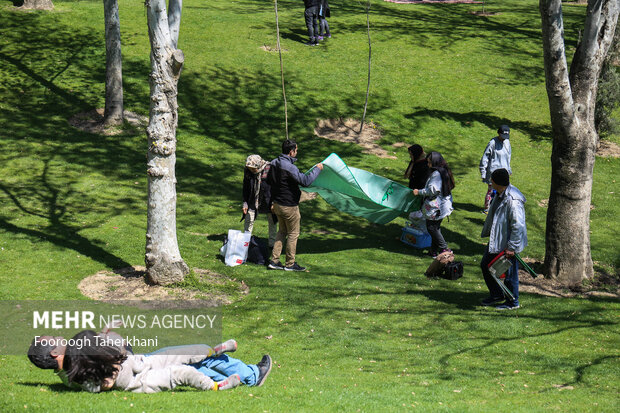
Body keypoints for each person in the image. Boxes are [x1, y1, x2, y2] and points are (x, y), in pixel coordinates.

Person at [28, 334, 271, 392]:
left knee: (189, 354)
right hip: (137, 379)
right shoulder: (72, 374)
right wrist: (113, 366)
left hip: (139, 361)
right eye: (53, 339)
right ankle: (224, 383)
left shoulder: (76, 353)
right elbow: (103, 383)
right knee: (184, 371)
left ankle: (214, 353)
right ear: (53, 353)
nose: (58, 336)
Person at [268, 139, 323, 271]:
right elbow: (305, 181)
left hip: (277, 204)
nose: (297, 152)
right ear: (291, 151)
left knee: (282, 232)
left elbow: (269, 182)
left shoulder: (274, 163)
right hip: (289, 206)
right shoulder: (289, 167)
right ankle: (290, 264)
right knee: (293, 234)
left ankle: (274, 261)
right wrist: (317, 169)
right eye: (296, 150)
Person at [479, 168, 527, 310]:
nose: (490, 182)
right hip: (497, 240)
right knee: (486, 265)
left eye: (492, 180)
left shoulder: (513, 200)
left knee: (510, 275)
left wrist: (512, 247)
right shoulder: (500, 194)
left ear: (497, 182)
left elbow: (518, 225)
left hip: (508, 244)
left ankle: (513, 302)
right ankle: (497, 295)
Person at [413, 151, 454, 258]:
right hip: (444, 204)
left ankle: (444, 248)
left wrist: (419, 192)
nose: (428, 164)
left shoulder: (436, 174)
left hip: (437, 207)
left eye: (429, 162)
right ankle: (433, 251)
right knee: (435, 227)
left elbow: (432, 190)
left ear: (435, 162)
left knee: (432, 228)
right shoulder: (443, 171)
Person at [242, 154, 277, 248]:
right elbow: (246, 187)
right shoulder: (248, 171)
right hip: (253, 197)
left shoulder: (270, 169)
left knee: (272, 221)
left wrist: (274, 203)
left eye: (253, 168)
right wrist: (245, 203)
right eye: (250, 168)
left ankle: (272, 244)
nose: (252, 170)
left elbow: (275, 186)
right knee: (249, 218)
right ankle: (246, 242)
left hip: (268, 198)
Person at [479, 124, 512, 213]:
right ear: (498, 133)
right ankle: (487, 209)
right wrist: (483, 172)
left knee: (503, 191)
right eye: (502, 136)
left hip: (504, 172)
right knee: (491, 190)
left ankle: (499, 208)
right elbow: (485, 158)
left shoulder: (507, 143)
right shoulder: (492, 143)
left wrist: (509, 169)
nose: (504, 138)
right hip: (493, 172)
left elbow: (508, 156)